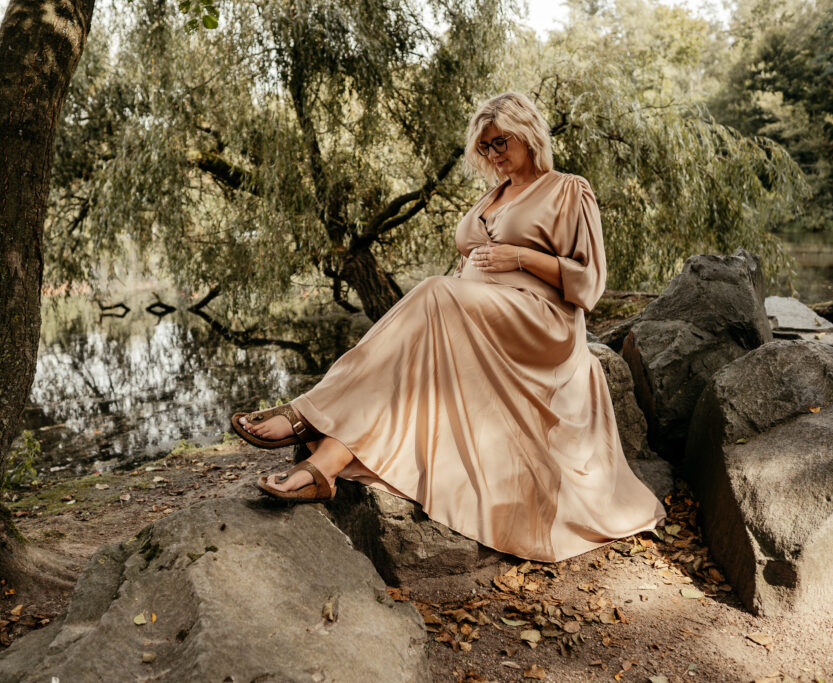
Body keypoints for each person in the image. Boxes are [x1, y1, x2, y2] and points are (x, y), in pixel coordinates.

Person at [232, 92, 665, 562]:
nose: (494, 155)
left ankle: (307, 414)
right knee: (416, 349)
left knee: (433, 293)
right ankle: (326, 464)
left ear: (529, 133)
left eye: (501, 142)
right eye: (484, 148)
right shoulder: (492, 195)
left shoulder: (567, 189)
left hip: (540, 324)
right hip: (478, 316)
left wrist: (520, 257)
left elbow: (590, 283)